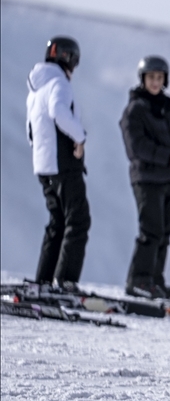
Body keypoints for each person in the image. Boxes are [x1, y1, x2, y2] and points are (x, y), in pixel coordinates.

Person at [119, 56, 170, 299]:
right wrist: (167, 157)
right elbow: (136, 147)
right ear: (143, 79)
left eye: (159, 77)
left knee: (164, 233)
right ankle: (138, 280)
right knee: (150, 231)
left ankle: (155, 280)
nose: (155, 82)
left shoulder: (169, 105)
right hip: (147, 179)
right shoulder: (135, 109)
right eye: (151, 77)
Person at [25, 37, 90, 291]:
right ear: (69, 59)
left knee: (57, 222)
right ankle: (66, 282)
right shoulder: (58, 83)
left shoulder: (36, 88)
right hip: (63, 165)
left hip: (43, 165)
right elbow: (59, 112)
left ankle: (43, 280)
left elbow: (30, 129)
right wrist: (80, 138)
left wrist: (41, 153)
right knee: (78, 220)